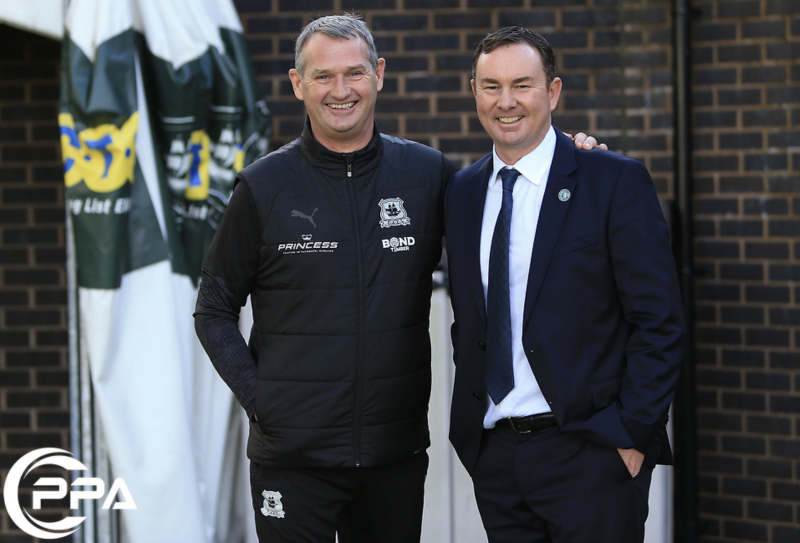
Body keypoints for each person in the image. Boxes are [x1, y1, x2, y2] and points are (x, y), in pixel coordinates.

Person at [194, 14, 600, 543]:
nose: (341, 91)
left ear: (379, 74)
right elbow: (214, 309)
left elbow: (516, 216)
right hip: (292, 460)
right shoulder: (263, 186)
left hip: (394, 455)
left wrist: (572, 160)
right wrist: (263, 401)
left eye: (355, 73)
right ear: (298, 84)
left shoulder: (428, 175)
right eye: (323, 76)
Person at [445, 27, 685, 543]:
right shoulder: (462, 192)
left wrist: (630, 436)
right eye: (491, 86)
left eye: (522, 85)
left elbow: (659, 322)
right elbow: (472, 320)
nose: (506, 102)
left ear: (552, 92)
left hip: (591, 455)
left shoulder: (611, 181)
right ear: (474, 92)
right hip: (498, 459)